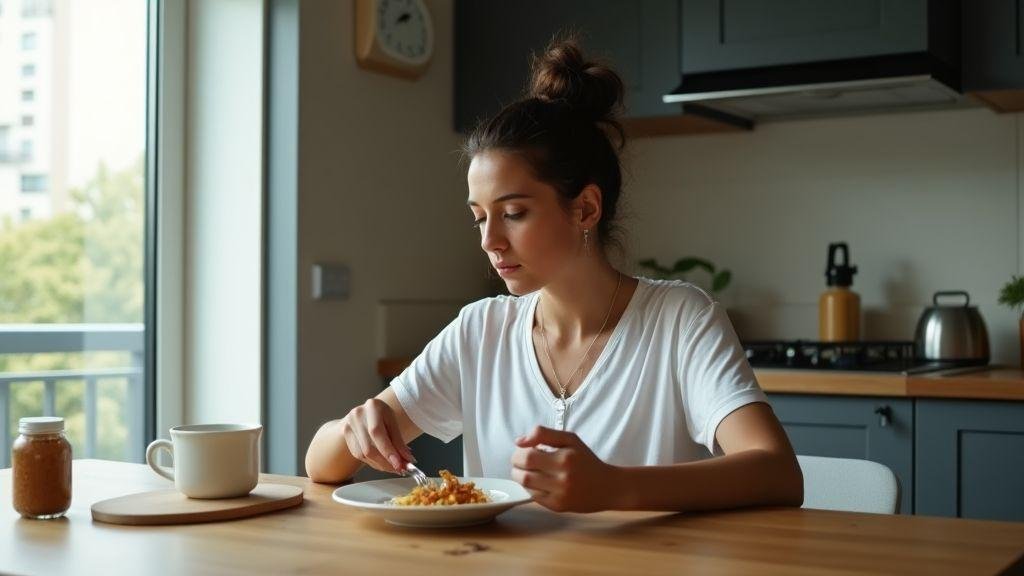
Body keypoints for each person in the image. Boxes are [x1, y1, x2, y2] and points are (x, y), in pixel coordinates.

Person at [305, 38, 803, 513]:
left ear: (585, 208)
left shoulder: (679, 320)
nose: (490, 240)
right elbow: (319, 465)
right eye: (479, 218)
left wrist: (613, 486)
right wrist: (355, 430)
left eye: (513, 213)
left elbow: (778, 472)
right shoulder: (480, 332)